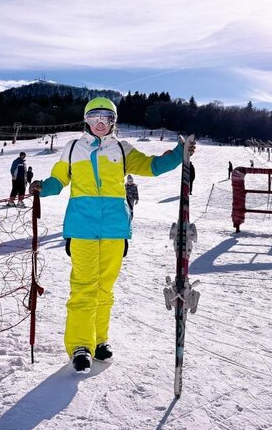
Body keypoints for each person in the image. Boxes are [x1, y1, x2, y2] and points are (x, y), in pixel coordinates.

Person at [30, 97, 195, 373]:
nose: (99, 124)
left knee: (104, 288)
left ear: (113, 122)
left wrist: (180, 153)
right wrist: (43, 187)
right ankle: (80, 345)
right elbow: (59, 179)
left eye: (105, 118)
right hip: (82, 228)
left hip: (115, 229)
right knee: (84, 287)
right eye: (94, 118)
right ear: (86, 120)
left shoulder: (122, 148)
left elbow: (152, 166)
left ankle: (98, 340)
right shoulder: (73, 149)